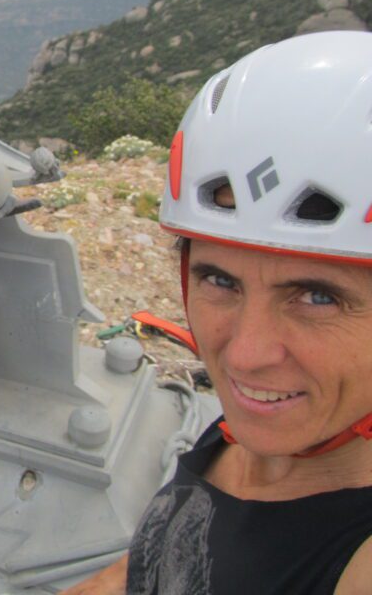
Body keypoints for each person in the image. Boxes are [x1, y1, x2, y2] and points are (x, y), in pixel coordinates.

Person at [62, 30, 372, 595]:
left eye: (318, 296)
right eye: (219, 280)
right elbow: (150, 566)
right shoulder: (246, 432)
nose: (245, 355)